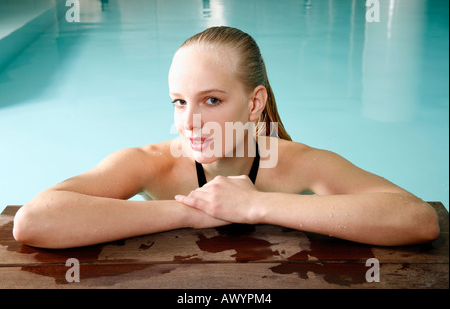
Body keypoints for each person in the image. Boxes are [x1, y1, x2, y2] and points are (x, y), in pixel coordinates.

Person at [13, 26, 439, 249]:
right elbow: (35, 221)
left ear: (254, 104)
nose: (190, 121)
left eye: (212, 101)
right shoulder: (151, 163)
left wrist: (255, 204)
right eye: (179, 102)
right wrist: (190, 214)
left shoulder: (294, 162)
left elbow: (416, 220)